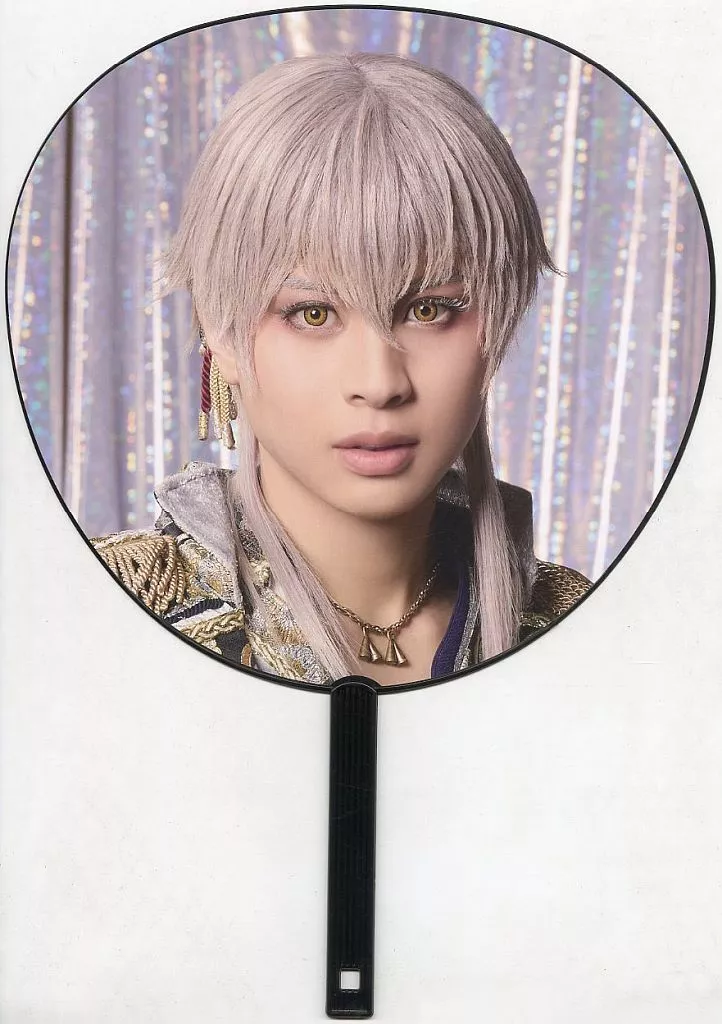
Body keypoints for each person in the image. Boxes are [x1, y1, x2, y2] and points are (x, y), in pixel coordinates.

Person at [93, 52, 591, 687]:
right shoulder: (107, 610)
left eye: (429, 309)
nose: (379, 384)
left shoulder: (583, 632)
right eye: (313, 314)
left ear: (501, 321)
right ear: (219, 327)